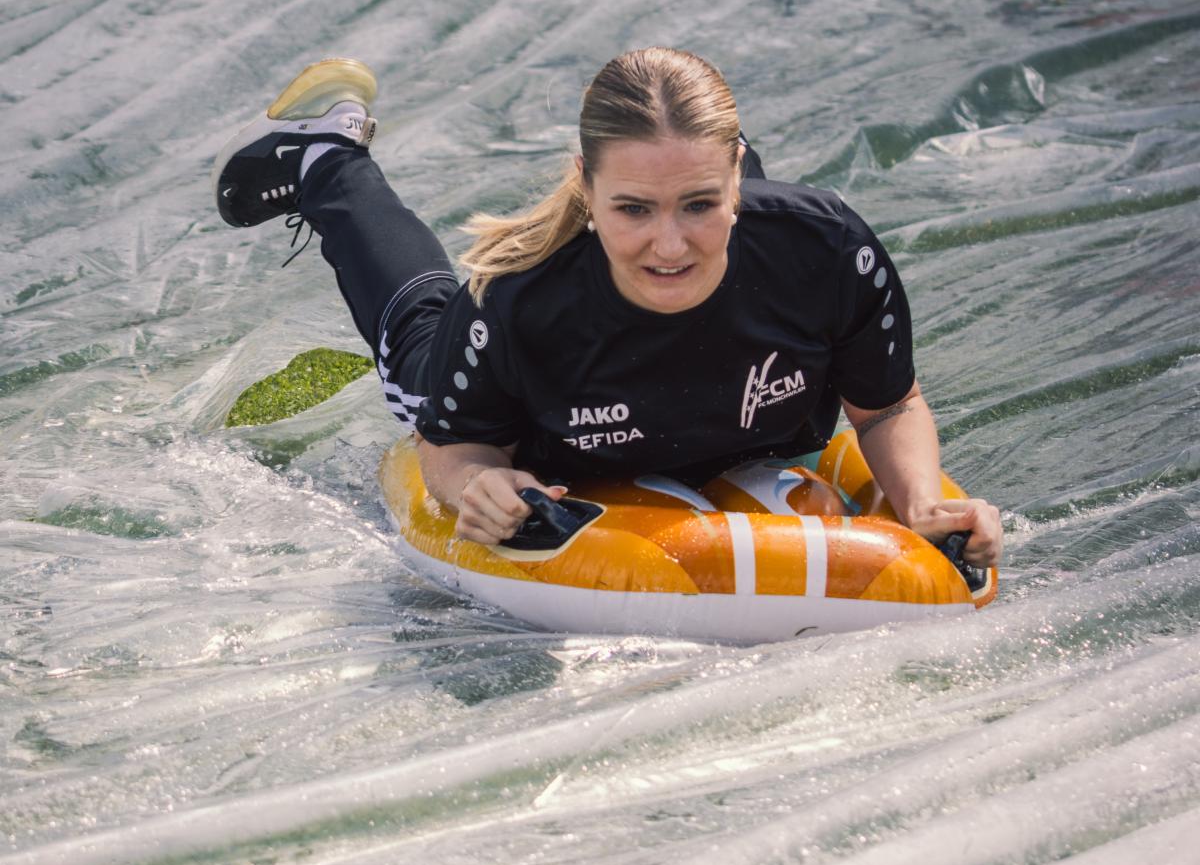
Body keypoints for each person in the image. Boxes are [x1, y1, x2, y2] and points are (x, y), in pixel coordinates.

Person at [212, 47, 1002, 565]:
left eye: (702, 202)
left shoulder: (823, 250)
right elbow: (452, 450)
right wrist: (476, 482)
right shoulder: (520, 301)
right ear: (586, 190)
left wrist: (922, 503)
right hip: (542, 427)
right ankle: (326, 157)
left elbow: (888, 405)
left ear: (739, 178)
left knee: (697, 215)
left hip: (740, 335)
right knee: (421, 340)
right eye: (632, 209)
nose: (669, 246)